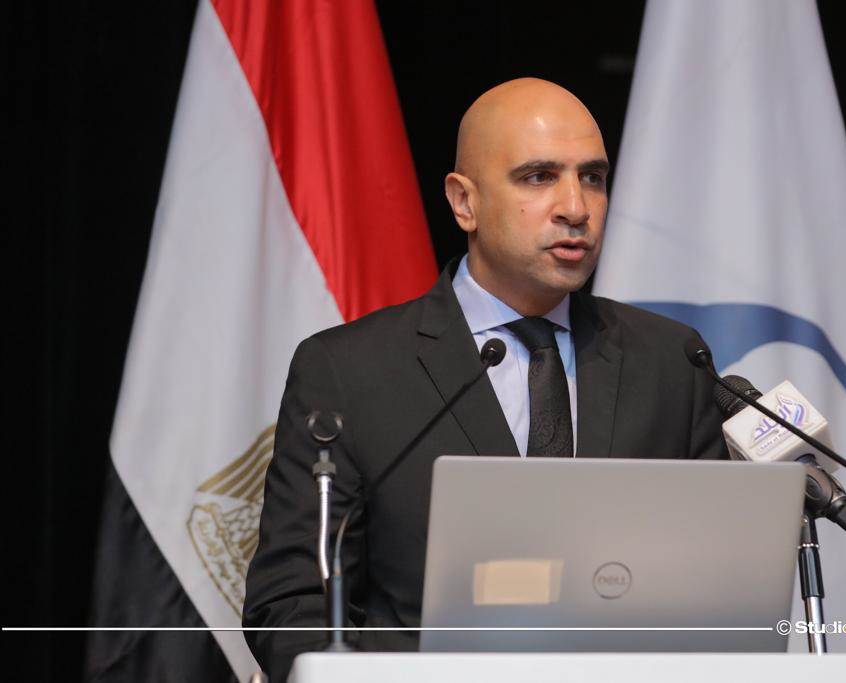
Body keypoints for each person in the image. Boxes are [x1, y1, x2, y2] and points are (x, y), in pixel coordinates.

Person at [243, 78, 728, 680]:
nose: (575, 207)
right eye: (539, 177)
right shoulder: (349, 370)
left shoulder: (671, 360)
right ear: (463, 202)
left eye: (593, 178)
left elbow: (719, 590)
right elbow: (292, 605)